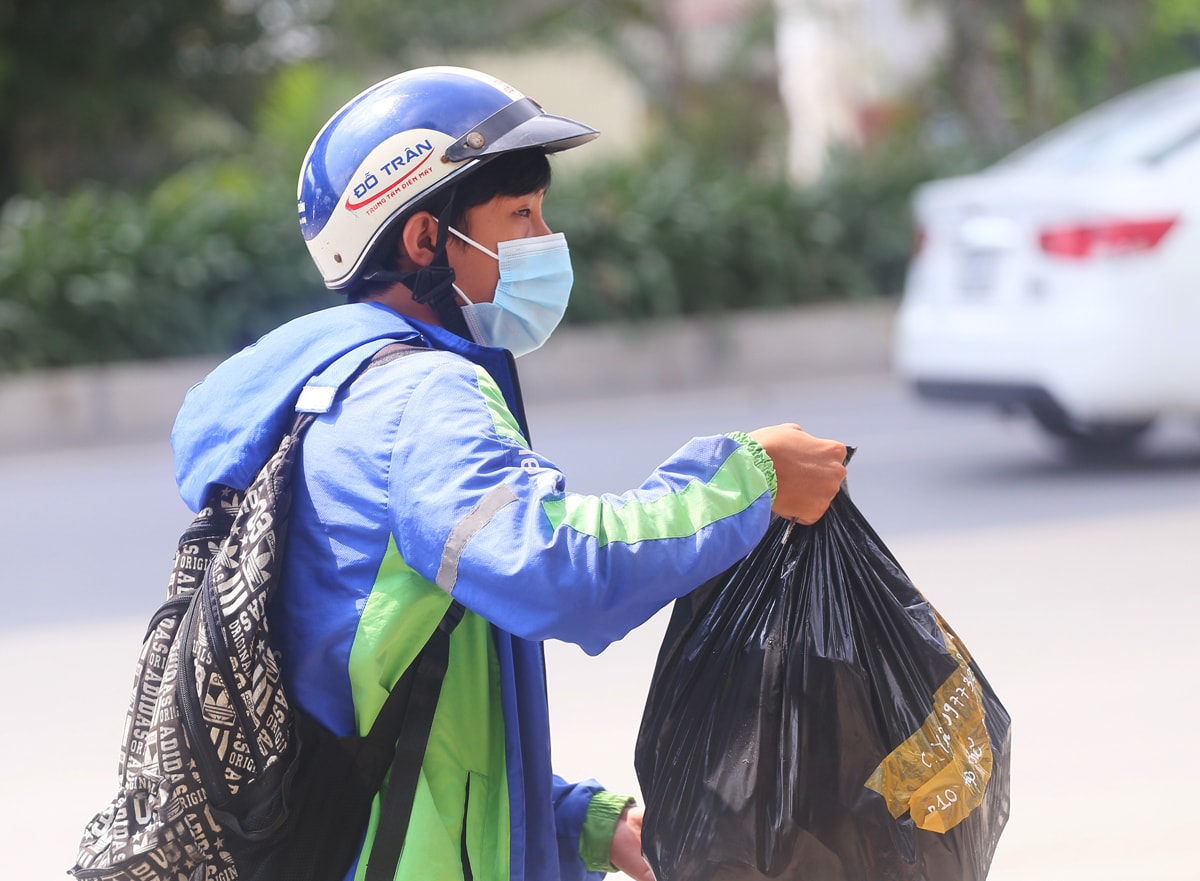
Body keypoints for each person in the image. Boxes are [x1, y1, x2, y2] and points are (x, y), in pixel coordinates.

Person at [171, 66, 848, 881]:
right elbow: (555, 565)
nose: (543, 238)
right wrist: (749, 479)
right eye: (519, 213)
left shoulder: (333, 395)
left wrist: (579, 822)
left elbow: (388, 704)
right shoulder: (421, 397)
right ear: (425, 241)